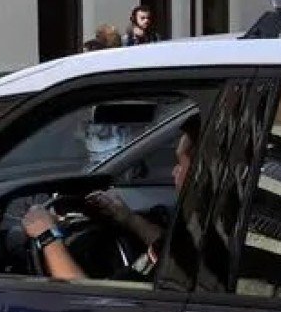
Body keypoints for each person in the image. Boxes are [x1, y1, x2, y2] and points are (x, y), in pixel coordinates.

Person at [23, 114, 199, 283]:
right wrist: (128, 218)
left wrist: (47, 235)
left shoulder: (205, 235)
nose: (174, 171)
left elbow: (87, 301)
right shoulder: (206, 225)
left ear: (200, 172)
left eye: (181, 163)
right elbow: (173, 251)